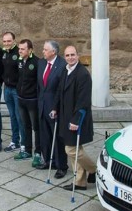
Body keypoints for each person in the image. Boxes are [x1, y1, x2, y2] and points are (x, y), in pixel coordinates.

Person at [52, 45, 96, 190]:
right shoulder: (65, 70)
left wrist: (75, 120)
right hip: (65, 115)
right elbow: (59, 91)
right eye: (67, 55)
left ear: (78, 56)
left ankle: (94, 169)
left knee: (71, 150)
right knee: (74, 148)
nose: (70, 58)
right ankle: (80, 182)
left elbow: (83, 100)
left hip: (77, 119)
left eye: (73, 55)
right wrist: (55, 108)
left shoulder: (83, 74)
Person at [37, 40, 67, 179]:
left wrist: (56, 107)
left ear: (53, 52)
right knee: (45, 136)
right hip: (42, 106)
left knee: (57, 138)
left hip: (54, 107)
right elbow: (40, 86)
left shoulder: (62, 66)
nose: (43, 51)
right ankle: (48, 160)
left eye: (45, 49)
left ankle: (61, 166)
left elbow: (61, 90)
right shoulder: (42, 63)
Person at [16, 39, 41, 165]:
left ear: (30, 50)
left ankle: (38, 153)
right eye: (19, 49)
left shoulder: (37, 62)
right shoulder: (19, 61)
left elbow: (40, 83)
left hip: (32, 100)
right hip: (21, 99)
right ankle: (27, 150)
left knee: (36, 127)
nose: (20, 51)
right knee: (25, 126)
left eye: (23, 49)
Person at [0, 31, 22, 153]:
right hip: (6, 89)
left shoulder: (18, 52)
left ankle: (24, 143)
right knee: (13, 116)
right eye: (4, 41)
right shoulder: (4, 53)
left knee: (20, 117)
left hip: (16, 90)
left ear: (14, 40)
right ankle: (15, 141)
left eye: (9, 41)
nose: (7, 43)